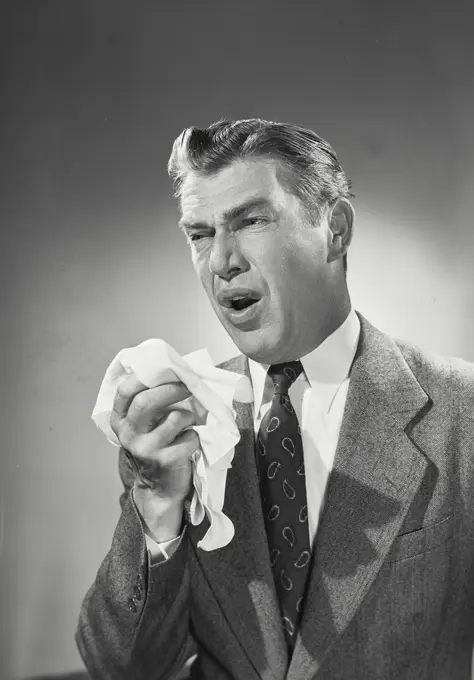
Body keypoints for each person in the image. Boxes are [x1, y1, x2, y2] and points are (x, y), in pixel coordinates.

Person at [76, 119, 474, 680]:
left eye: (250, 221)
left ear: (335, 229)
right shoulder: (181, 427)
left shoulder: (463, 413)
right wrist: (156, 506)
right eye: (199, 234)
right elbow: (121, 669)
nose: (221, 261)